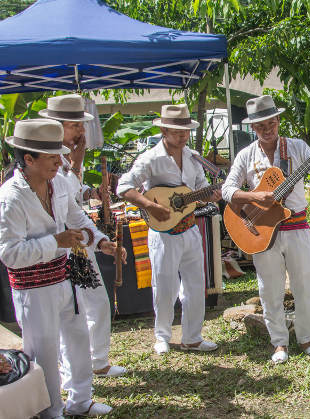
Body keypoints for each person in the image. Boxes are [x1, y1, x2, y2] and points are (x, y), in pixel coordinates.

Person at [0, 119, 118, 417]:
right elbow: (9, 254)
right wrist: (56, 241)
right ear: (28, 159)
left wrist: (100, 241)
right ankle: (51, 410)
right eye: (52, 157)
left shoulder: (59, 183)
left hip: (66, 277)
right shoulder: (10, 198)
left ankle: (81, 399)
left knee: (78, 339)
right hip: (33, 287)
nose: (59, 162)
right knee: (44, 352)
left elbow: (76, 216)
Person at [221, 95, 310, 364]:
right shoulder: (246, 155)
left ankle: (306, 338)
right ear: (253, 128)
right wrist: (253, 198)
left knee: (305, 285)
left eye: (271, 123)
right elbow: (227, 190)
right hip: (260, 230)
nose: (267, 129)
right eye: (261, 126)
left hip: (296, 226)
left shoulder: (296, 147)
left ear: (278, 121)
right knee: (269, 288)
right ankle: (279, 343)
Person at [117, 104, 221, 355]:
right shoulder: (151, 159)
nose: (182, 134)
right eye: (176, 130)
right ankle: (162, 336)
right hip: (163, 234)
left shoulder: (194, 157)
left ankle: (192, 337)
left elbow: (201, 189)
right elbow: (124, 186)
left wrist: (212, 196)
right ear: (163, 129)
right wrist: (149, 206)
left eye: (185, 129)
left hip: (190, 229)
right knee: (164, 286)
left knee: (196, 285)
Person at [39, 94, 128, 379]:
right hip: (57, 251)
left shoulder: (65, 161)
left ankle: (98, 361)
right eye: (74, 125)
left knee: (96, 303)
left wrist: (100, 241)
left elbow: (74, 208)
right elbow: (65, 207)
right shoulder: (48, 163)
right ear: (56, 126)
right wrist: (77, 164)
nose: (80, 132)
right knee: (71, 314)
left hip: (78, 245)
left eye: (80, 125)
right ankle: (70, 373)